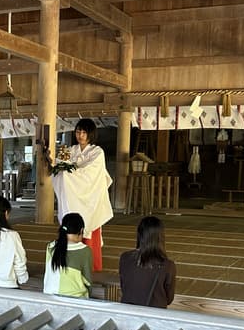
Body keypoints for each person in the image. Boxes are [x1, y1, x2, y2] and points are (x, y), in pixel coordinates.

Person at [52, 118, 113, 272]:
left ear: (90, 134)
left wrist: (70, 174)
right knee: (63, 176)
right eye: (78, 131)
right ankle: (70, 264)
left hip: (90, 197)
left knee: (90, 228)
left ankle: (91, 267)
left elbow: (91, 173)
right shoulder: (71, 150)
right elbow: (60, 166)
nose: (80, 135)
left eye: (84, 132)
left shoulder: (97, 152)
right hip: (73, 197)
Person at [119, 216, 176, 308]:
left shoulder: (125, 257)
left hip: (128, 314)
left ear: (139, 235)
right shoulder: (168, 265)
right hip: (154, 316)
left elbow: (124, 287)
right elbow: (169, 299)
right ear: (161, 237)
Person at [43, 213, 93, 298]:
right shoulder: (84, 250)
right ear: (81, 230)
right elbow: (87, 280)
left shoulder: (51, 246)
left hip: (49, 294)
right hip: (74, 298)